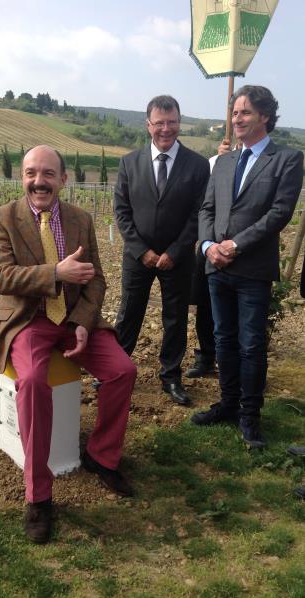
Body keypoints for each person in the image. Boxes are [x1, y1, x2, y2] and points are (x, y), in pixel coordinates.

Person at [0, 145, 137, 543]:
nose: (39, 181)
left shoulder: (81, 220)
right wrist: (56, 272)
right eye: (31, 173)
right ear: (22, 177)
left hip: (73, 320)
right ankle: (39, 495)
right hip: (28, 321)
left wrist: (84, 322)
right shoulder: (1, 220)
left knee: (123, 371)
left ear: (63, 179)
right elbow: (2, 277)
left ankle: (101, 457)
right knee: (32, 382)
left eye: (48, 173)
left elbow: (97, 279)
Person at [192, 85, 304, 448]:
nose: (237, 119)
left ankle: (249, 416)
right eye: (234, 112)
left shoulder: (287, 159)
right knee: (223, 338)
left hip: (252, 269)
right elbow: (207, 208)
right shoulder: (224, 161)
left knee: (251, 344)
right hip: (216, 268)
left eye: (245, 112)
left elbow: (279, 213)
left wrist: (235, 245)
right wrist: (209, 246)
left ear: (265, 117)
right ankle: (228, 403)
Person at [114, 95, 210, 405]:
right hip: (137, 257)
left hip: (177, 259)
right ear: (148, 125)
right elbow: (122, 211)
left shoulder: (197, 165)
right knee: (129, 314)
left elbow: (200, 212)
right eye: (159, 123)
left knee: (175, 318)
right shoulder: (129, 163)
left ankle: (171, 377)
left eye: (172, 122)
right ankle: (115, 373)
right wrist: (141, 250)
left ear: (179, 123)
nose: (165, 129)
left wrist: (176, 251)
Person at [186, 138, 235, 379]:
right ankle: (205, 357)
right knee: (204, 306)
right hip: (207, 246)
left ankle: (235, 366)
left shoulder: (260, 160)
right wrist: (220, 159)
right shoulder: (213, 163)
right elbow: (204, 206)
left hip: (237, 247)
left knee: (234, 310)